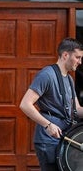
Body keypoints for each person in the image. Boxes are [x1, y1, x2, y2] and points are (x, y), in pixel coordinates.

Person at [20, 37, 83, 171]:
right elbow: (25, 104)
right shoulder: (46, 75)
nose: (80, 62)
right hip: (48, 140)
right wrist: (47, 124)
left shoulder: (70, 79)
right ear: (65, 55)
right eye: (77, 57)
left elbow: (76, 109)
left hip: (64, 137)